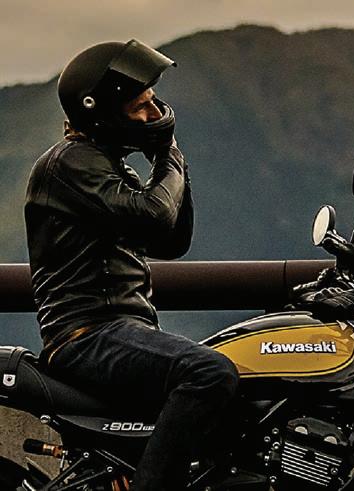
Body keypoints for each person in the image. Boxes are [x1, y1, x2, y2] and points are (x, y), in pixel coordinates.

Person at [24, 39, 239, 490]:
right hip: (88, 334)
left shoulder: (107, 167)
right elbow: (154, 214)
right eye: (141, 106)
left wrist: (168, 162)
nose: (155, 113)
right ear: (101, 113)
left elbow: (171, 239)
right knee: (208, 371)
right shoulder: (71, 163)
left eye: (154, 101)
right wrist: (170, 156)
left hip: (120, 331)